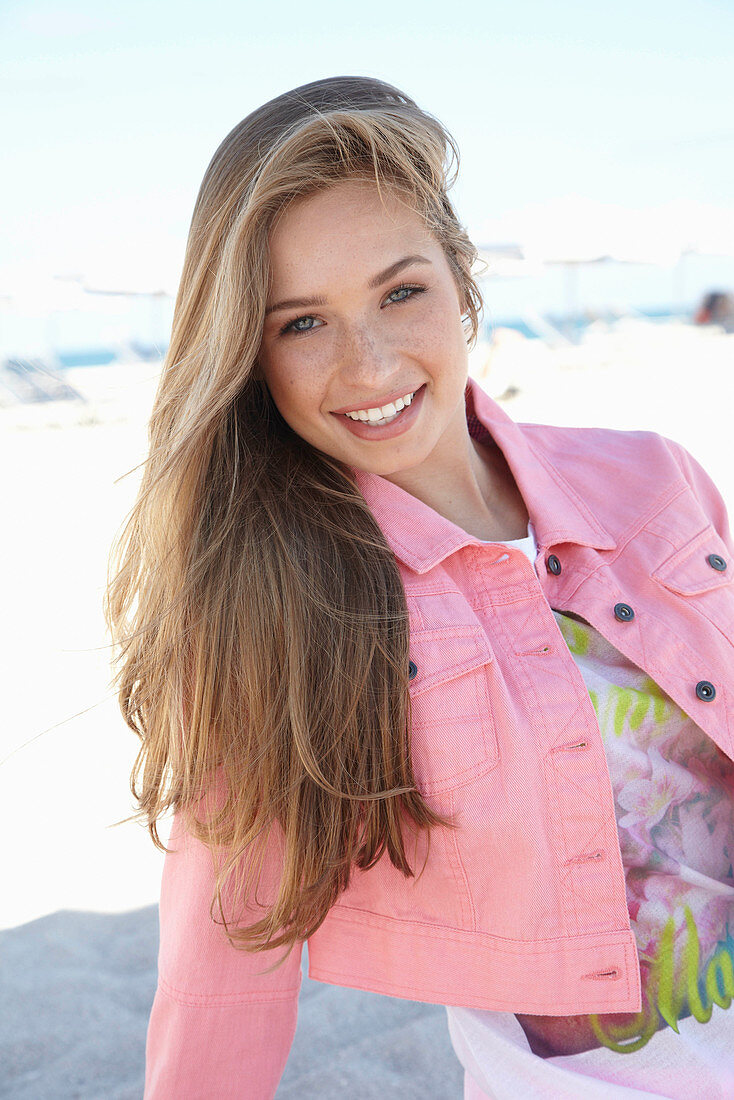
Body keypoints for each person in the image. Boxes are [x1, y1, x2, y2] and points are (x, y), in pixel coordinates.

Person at [104, 76, 734, 1099]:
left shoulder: (654, 477)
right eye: (301, 323)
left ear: (461, 280)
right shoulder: (279, 606)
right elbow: (222, 956)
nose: (369, 361)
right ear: (251, 355)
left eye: (401, 291)